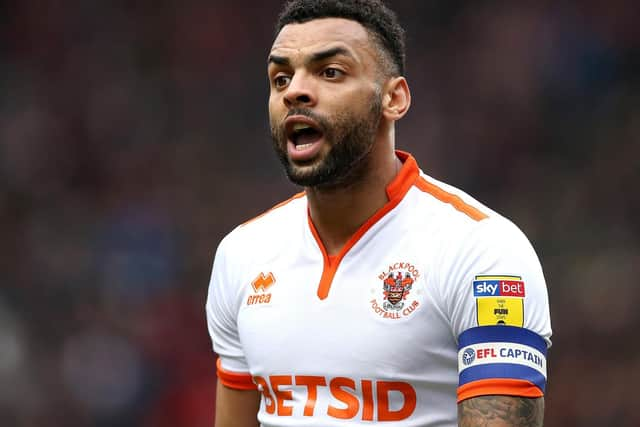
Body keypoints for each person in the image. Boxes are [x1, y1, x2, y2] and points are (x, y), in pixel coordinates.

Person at [205, 0, 552, 426]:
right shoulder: (242, 254)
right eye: (280, 78)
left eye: (330, 72)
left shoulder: (484, 253)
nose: (294, 90)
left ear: (394, 98)